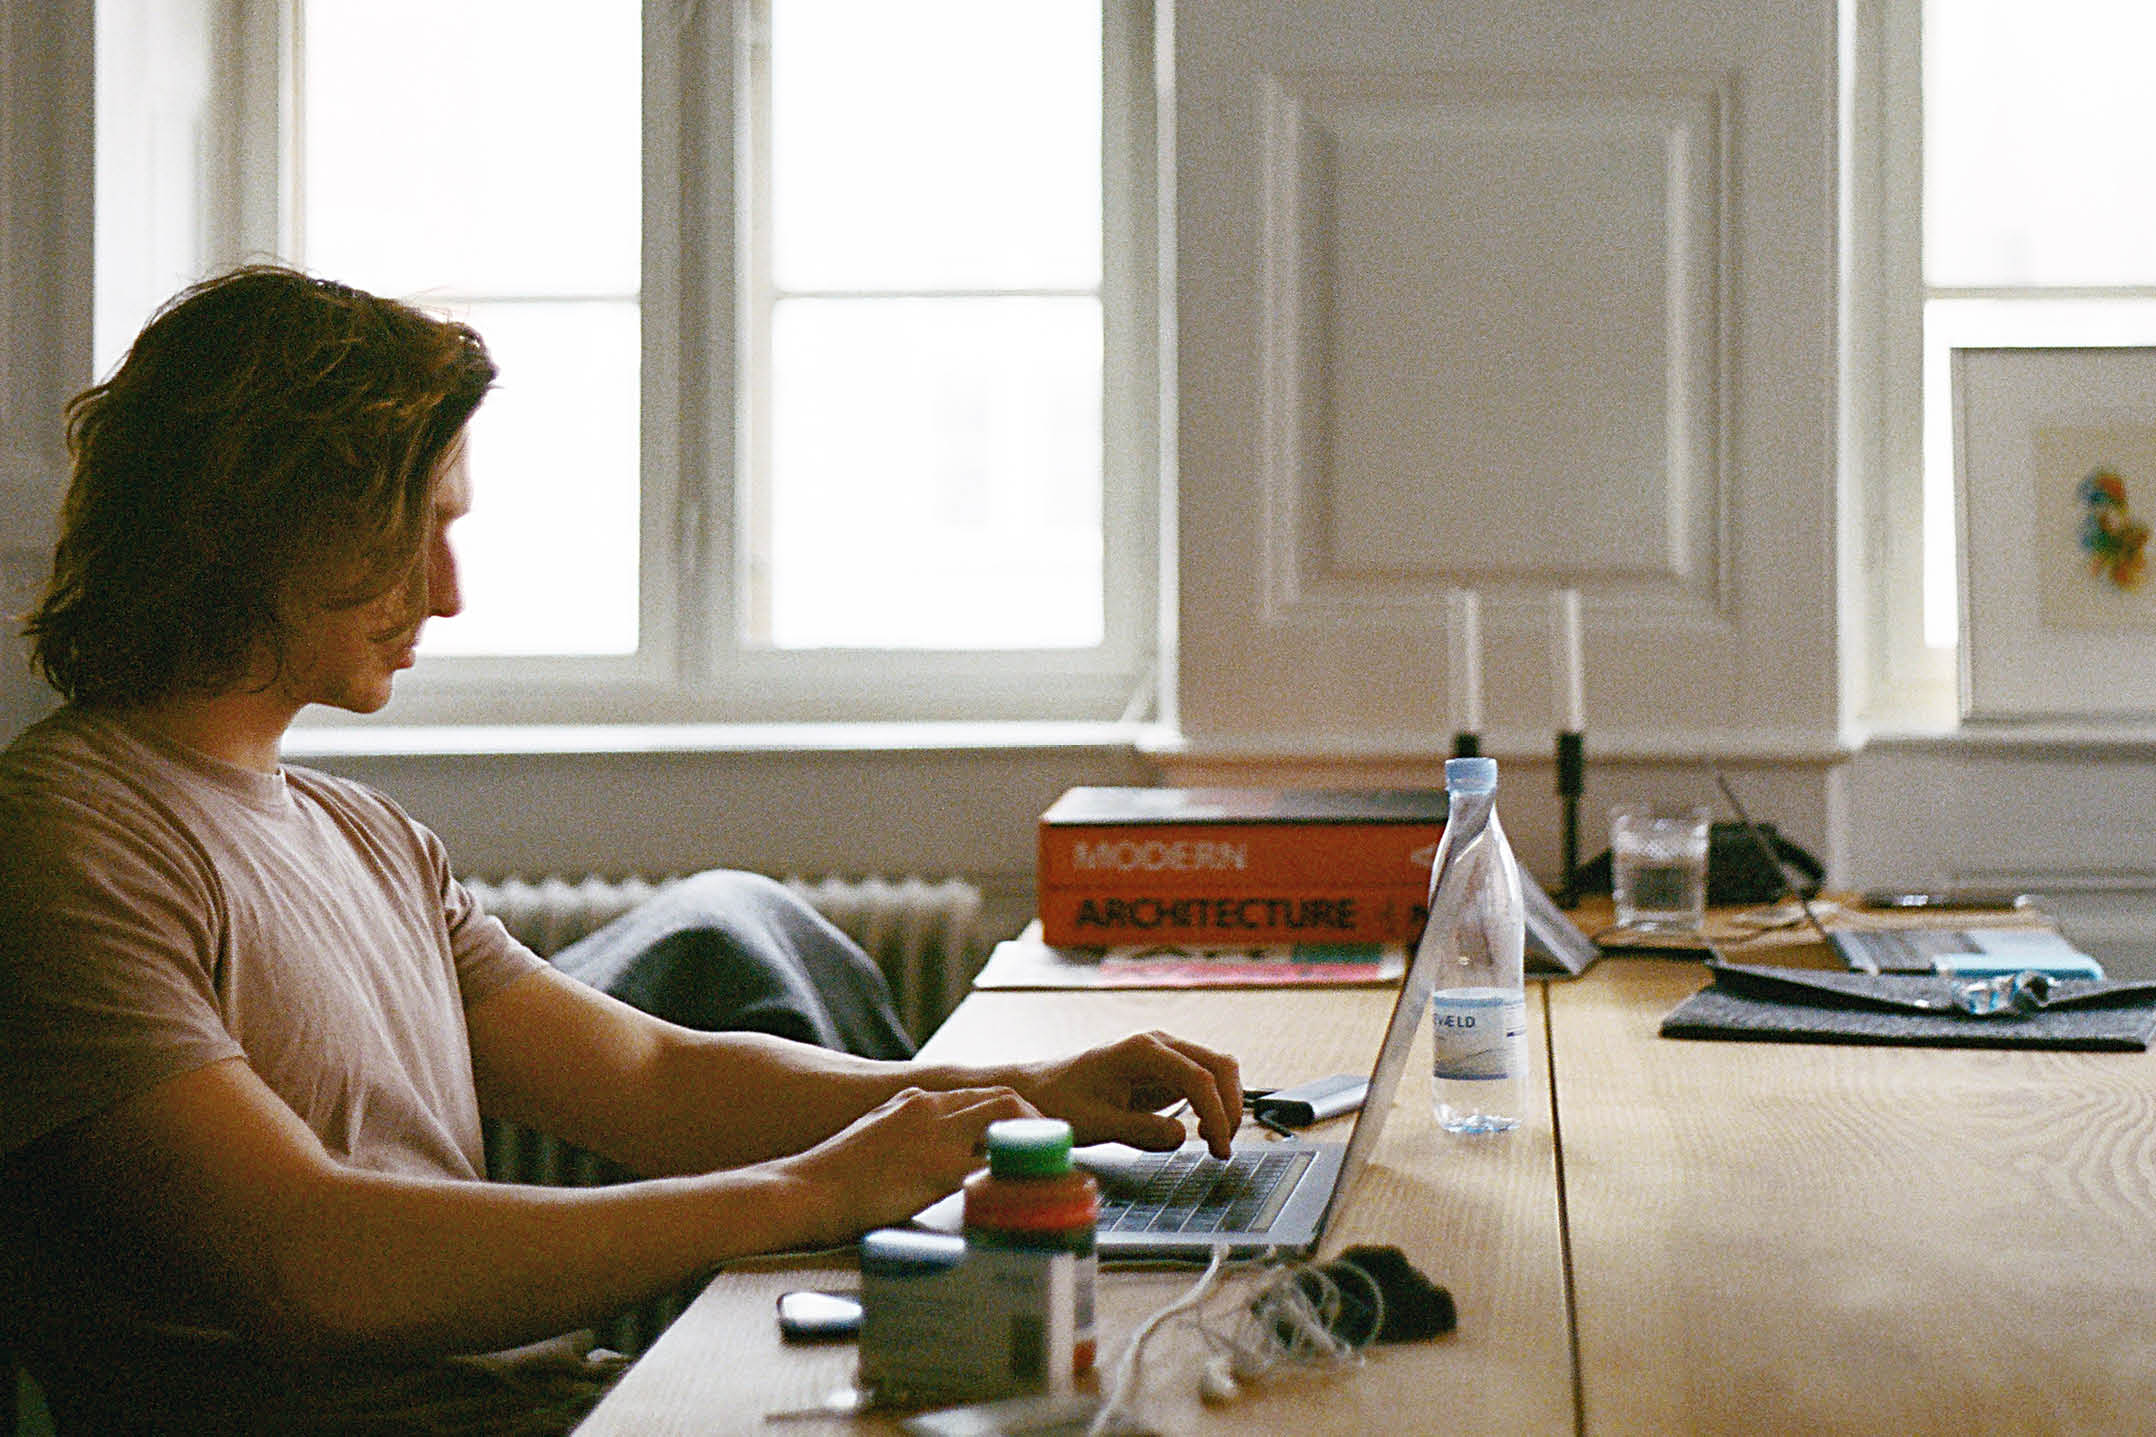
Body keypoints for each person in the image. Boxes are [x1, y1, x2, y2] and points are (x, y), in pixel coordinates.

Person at [0, 266, 1241, 1434]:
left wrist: (1021, 1097)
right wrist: (812, 1194)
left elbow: (652, 1081)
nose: (445, 593)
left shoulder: (365, 835)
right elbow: (316, 1267)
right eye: (408, 531)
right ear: (259, 525)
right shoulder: (66, 843)